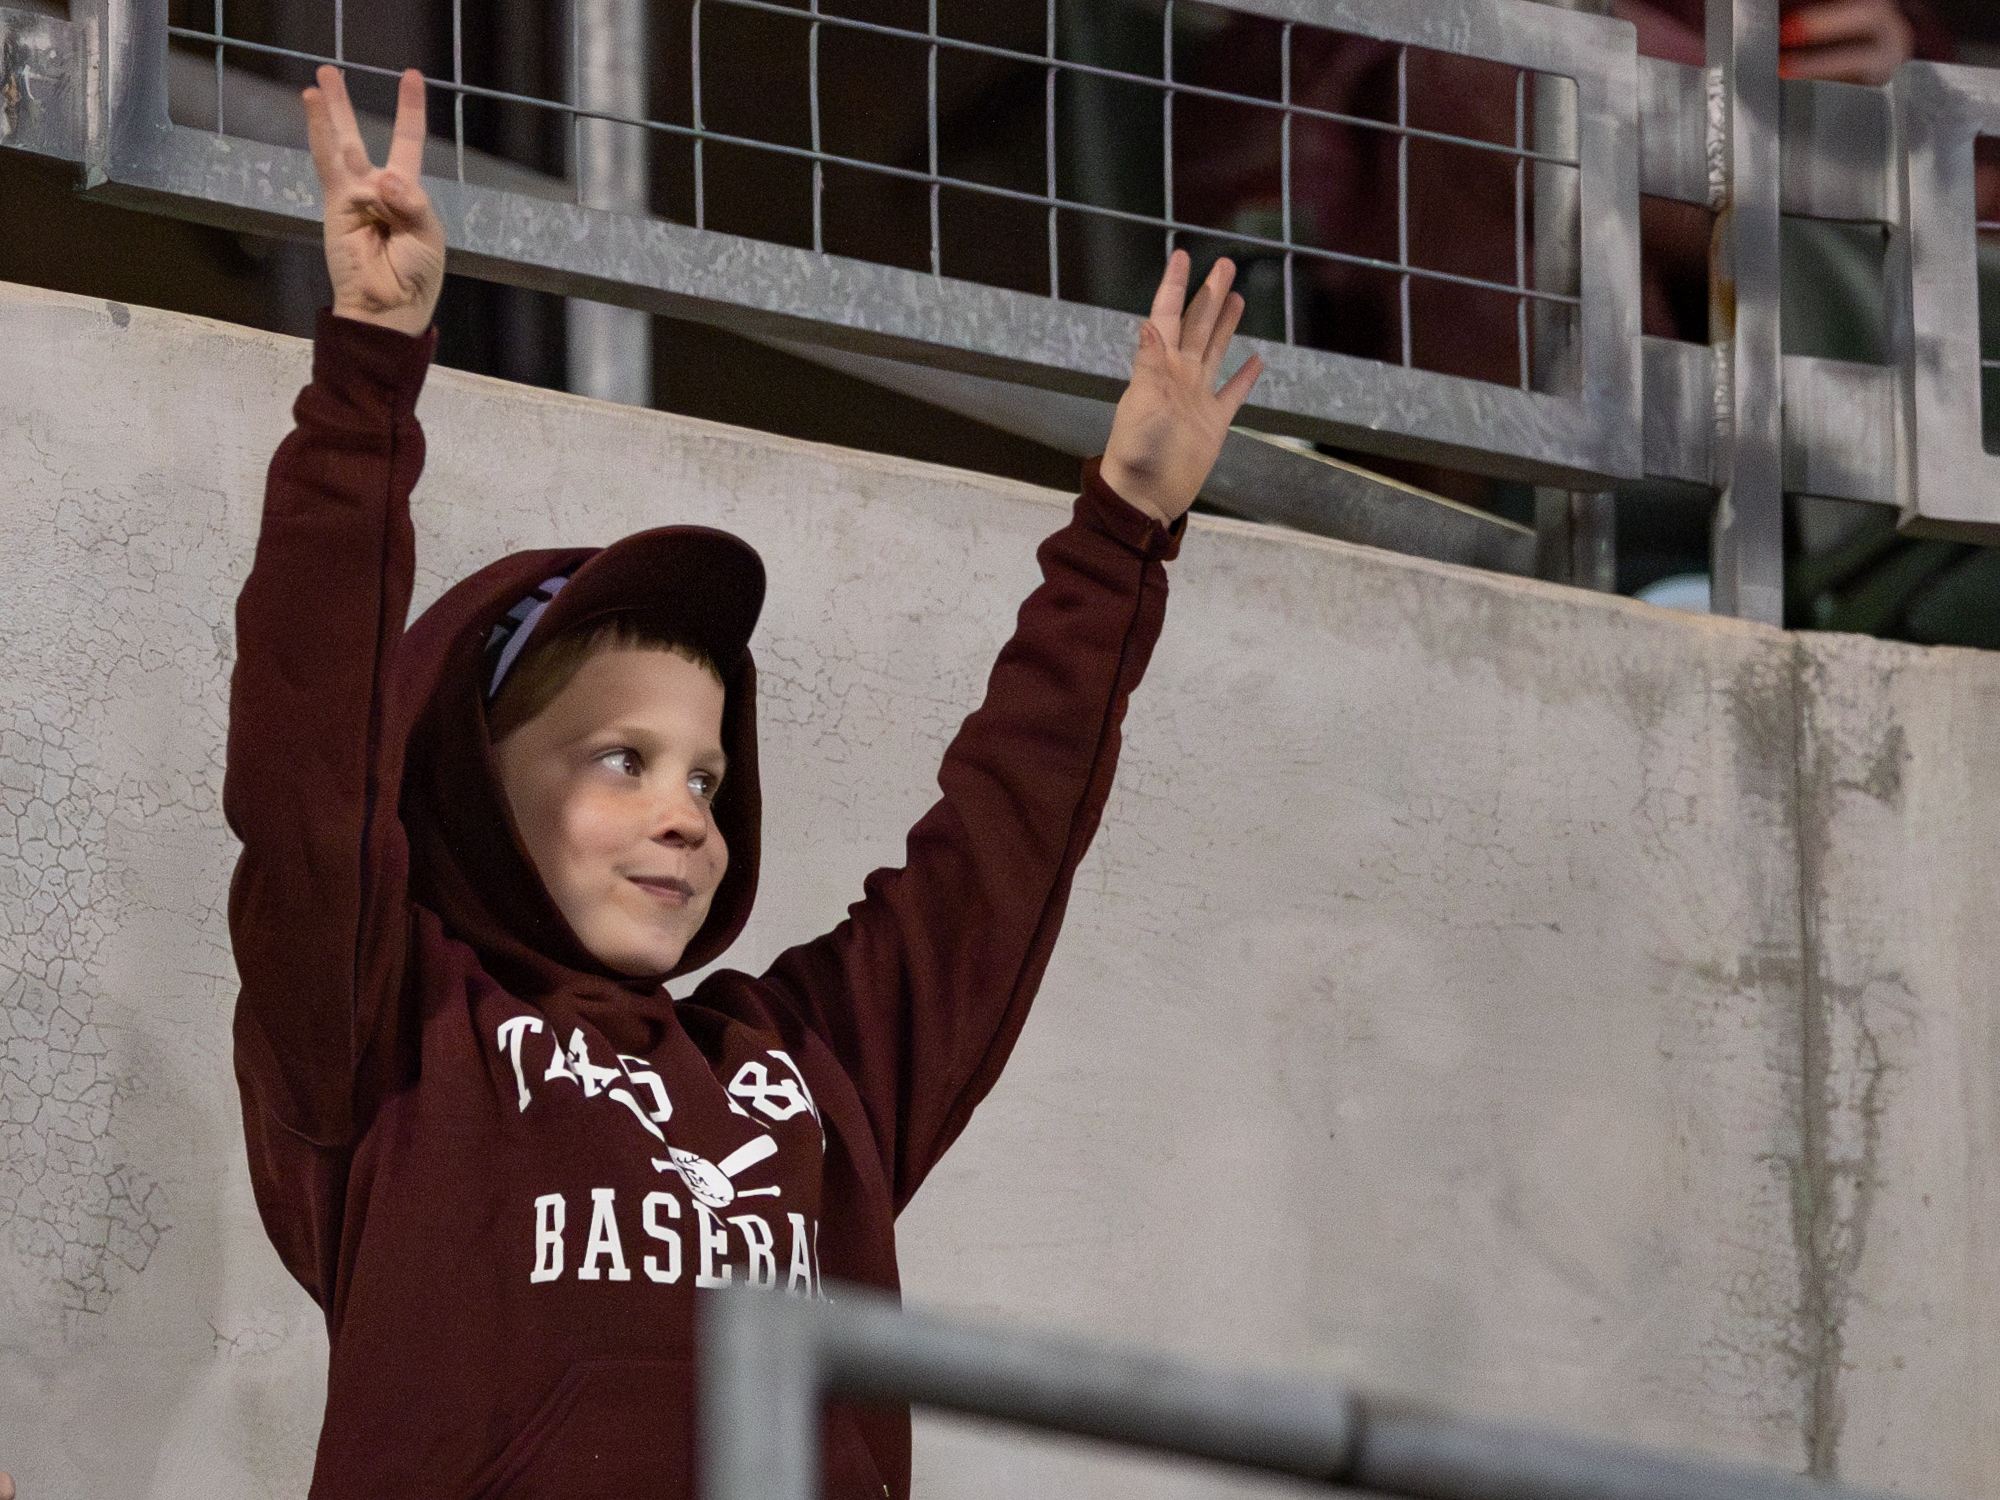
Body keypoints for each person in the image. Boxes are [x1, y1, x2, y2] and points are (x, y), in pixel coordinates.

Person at [225, 64, 1261, 1500]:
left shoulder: (809, 1072)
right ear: (468, 788)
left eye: (708, 779)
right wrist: (367, 374)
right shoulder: (388, 1030)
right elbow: (306, 768)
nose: (684, 817)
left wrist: (1125, 527)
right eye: (619, 759)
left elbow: (998, 851)